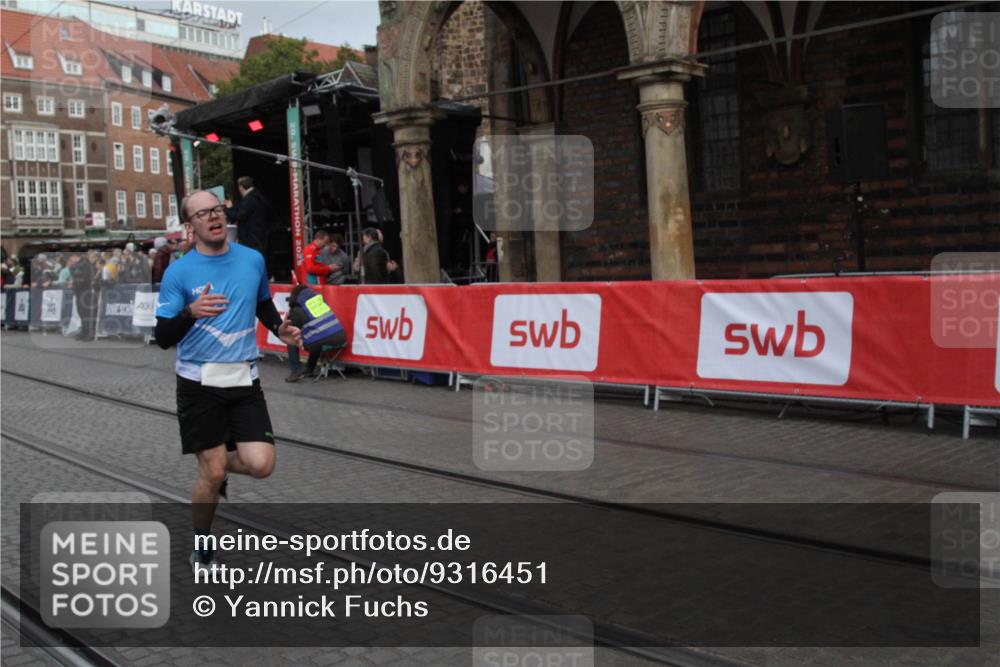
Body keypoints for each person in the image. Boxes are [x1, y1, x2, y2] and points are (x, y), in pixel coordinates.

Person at [154, 190, 300, 571]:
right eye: (203, 214)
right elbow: (164, 336)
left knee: (261, 464)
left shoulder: (251, 259)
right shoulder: (179, 272)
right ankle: (202, 549)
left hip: (243, 380)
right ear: (191, 226)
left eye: (217, 210)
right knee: (215, 468)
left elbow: (262, 303)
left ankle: (211, 466)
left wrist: (277, 329)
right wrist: (190, 312)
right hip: (198, 384)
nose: (213, 217)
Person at [224, 176, 268, 257]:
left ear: (241, 187)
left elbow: (240, 216)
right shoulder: (256, 197)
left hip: (251, 239)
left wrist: (229, 209)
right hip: (258, 236)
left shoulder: (249, 199)